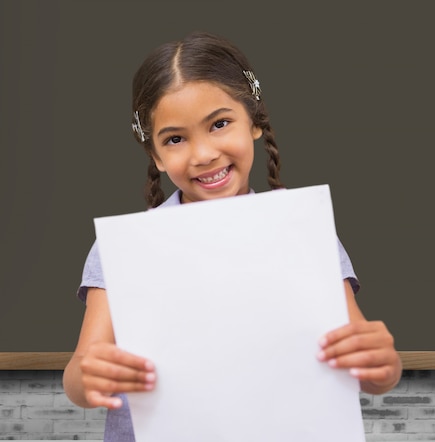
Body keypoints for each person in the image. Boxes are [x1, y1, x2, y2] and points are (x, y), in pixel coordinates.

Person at [63, 31, 402, 441]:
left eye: (220, 124)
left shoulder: (305, 236)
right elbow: (80, 377)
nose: (203, 153)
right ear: (155, 154)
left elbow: (366, 370)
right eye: (175, 139)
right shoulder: (125, 251)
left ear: (255, 122)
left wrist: (385, 367)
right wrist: (88, 375)